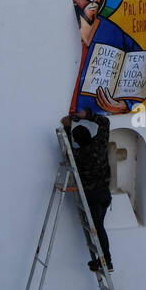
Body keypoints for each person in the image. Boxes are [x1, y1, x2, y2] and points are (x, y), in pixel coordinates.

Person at [61, 108, 113, 272]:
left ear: (77, 140)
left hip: (92, 196)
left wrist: (67, 127)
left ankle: (107, 262)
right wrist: (87, 116)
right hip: (105, 194)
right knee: (100, 228)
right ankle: (102, 260)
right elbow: (105, 123)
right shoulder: (100, 143)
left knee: (98, 229)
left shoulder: (78, 155)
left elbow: (68, 150)